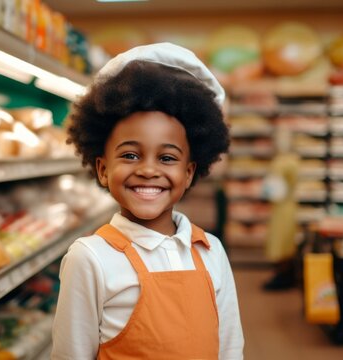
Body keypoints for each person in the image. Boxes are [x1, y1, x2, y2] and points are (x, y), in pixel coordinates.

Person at [51, 43, 244, 359]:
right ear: (102, 168)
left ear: (189, 172)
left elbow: (230, 347)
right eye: (130, 155)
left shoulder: (211, 250)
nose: (148, 170)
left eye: (167, 157)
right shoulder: (90, 258)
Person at [262, 126, 301, 291]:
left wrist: (265, 194)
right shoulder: (294, 160)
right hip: (291, 206)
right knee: (288, 242)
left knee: (279, 242)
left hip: (280, 208)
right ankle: (288, 275)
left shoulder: (279, 162)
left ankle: (282, 277)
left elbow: (275, 190)